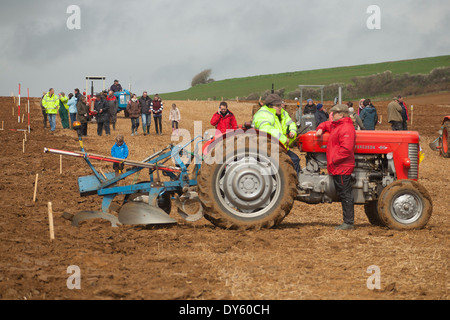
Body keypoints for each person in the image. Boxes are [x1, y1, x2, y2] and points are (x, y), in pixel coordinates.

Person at [315, 104, 356, 230]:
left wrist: (332, 160)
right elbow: (326, 124)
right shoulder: (336, 125)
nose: (331, 115)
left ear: (342, 114)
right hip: (337, 165)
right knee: (342, 192)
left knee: (345, 193)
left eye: (334, 113)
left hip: (342, 166)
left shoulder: (346, 128)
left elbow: (346, 149)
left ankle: (348, 222)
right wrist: (320, 129)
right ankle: (347, 221)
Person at [252, 94, 300, 174]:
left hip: (282, 147)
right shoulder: (262, 114)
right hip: (269, 149)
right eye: (277, 106)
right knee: (293, 160)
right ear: (270, 105)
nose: (280, 107)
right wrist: (283, 139)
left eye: (280, 105)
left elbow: (291, 123)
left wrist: (292, 131)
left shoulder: (283, 113)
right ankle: (292, 184)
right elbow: (266, 129)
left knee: (295, 159)